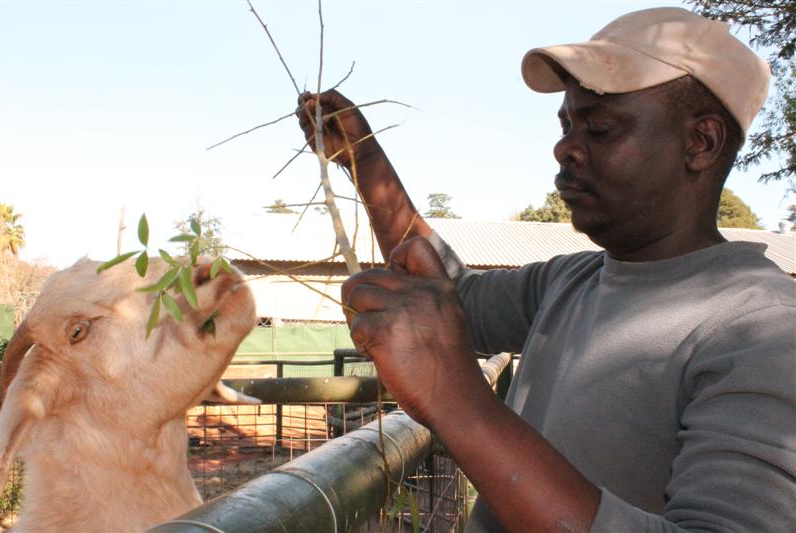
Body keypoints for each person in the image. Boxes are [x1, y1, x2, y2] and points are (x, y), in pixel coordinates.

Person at [297, 7, 795, 532]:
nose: (565, 148)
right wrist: (364, 158)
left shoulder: (764, 331)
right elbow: (449, 295)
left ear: (701, 142)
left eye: (600, 128)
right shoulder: (568, 282)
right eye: (567, 125)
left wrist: (457, 402)